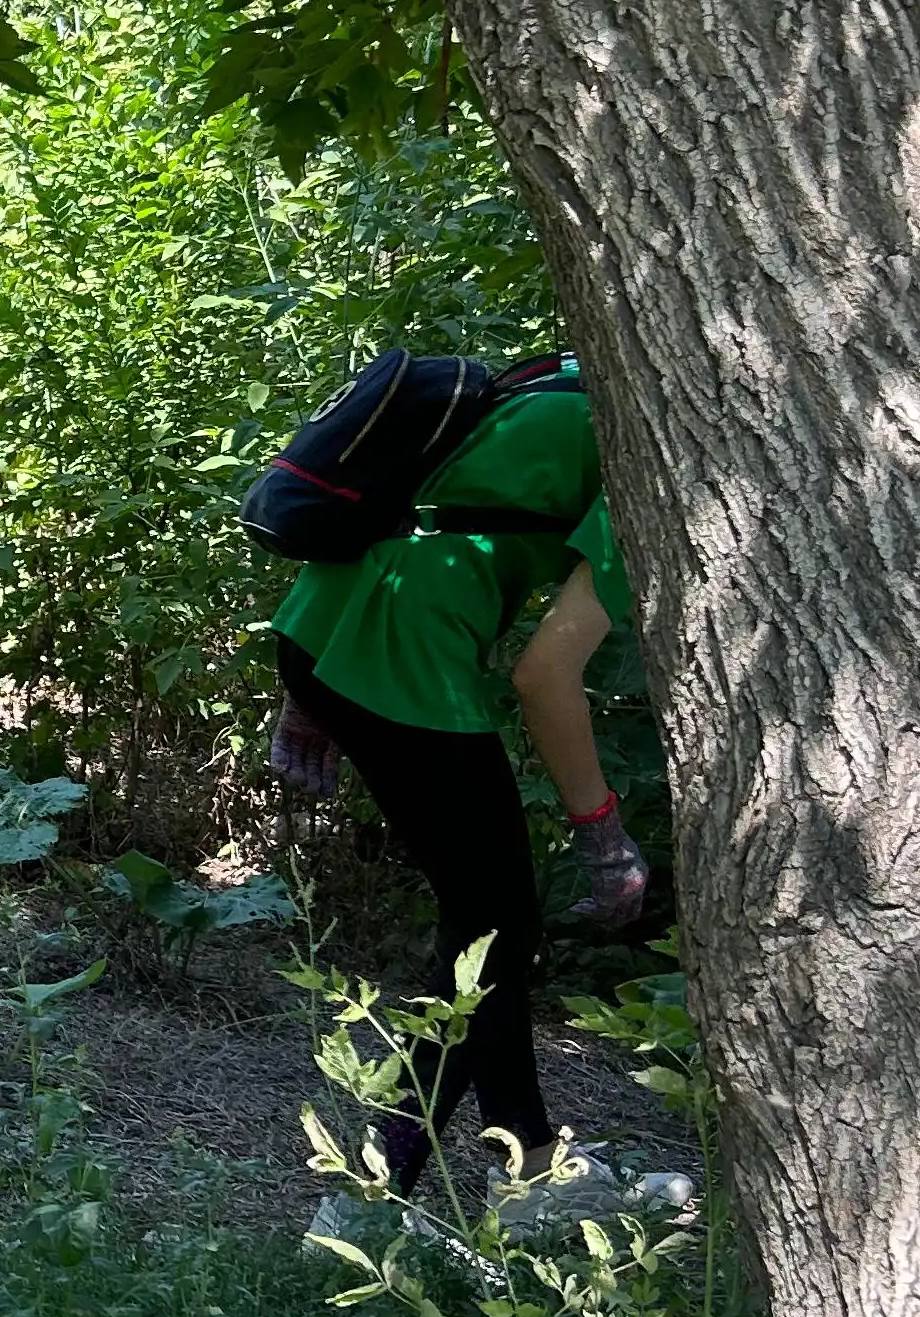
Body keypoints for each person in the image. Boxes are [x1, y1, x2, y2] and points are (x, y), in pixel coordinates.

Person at [265, 361, 645, 1188]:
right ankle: (382, 1183)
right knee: (493, 936)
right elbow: (545, 676)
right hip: (400, 660)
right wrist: (601, 833)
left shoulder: (569, 382)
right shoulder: (651, 455)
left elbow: (420, 504)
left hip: (323, 624)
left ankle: (527, 1166)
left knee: (491, 931)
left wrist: (316, 683)